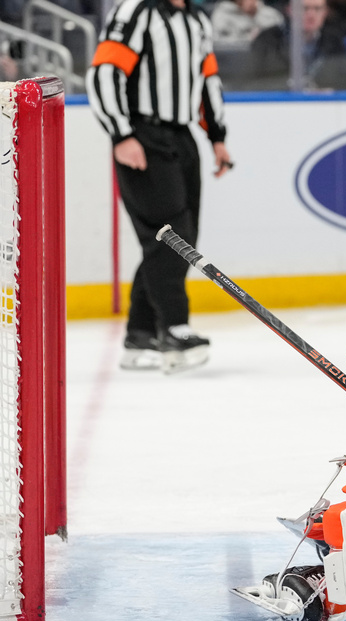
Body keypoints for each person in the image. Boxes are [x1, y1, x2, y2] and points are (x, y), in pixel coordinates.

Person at [87, 0, 233, 374]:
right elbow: (104, 72)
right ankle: (173, 329)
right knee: (170, 233)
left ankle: (141, 334)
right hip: (142, 134)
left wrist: (216, 136)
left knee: (178, 236)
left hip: (181, 137)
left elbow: (207, 78)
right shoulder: (134, 10)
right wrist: (121, 133)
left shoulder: (196, 18)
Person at [250, 0, 346, 89]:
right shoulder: (268, 39)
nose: (311, 15)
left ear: (325, 12)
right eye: (304, 9)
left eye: (317, 9)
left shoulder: (334, 41)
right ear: (289, 10)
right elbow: (252, 82)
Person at [210, 0, 285, 47]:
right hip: (236, 62)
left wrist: (254, 14)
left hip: (268, 63)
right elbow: (217, 43)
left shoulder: (270, 14)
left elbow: (280, 34)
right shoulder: (221, 15)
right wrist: (248, 39)